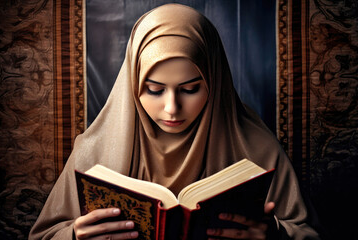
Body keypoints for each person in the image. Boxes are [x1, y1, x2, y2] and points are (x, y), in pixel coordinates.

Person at [29, 3, 321, 240]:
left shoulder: (257, 148)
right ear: (133, 85)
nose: (171, 108)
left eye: (190, 89)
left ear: (214, 82)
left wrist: (277, 235)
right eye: (154, 90)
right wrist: (74, 236)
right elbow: (44, 235)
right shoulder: (92, 152)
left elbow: (308, 234)